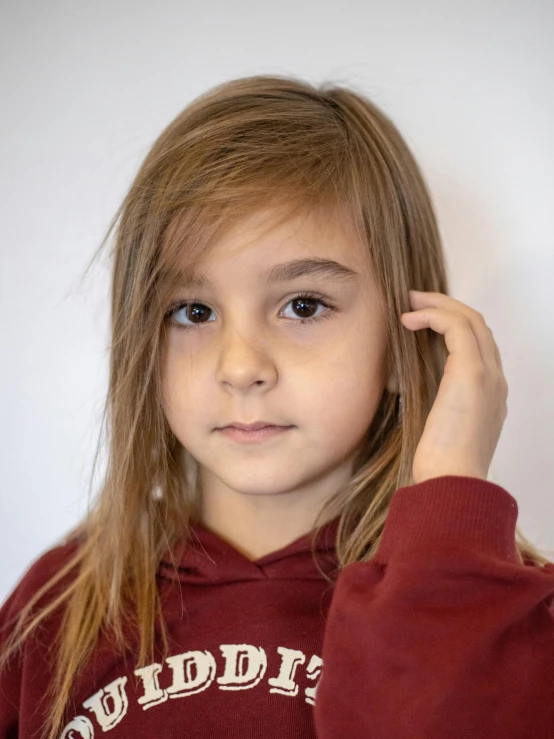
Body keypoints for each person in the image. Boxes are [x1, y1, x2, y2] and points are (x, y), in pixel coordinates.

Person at [0, 74, 553, 739]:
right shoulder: (57, 604)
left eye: (304, 305)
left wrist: (448, 507)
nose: (240, 367)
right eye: (193, 311)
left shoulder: (504, 606)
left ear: (411, 333)